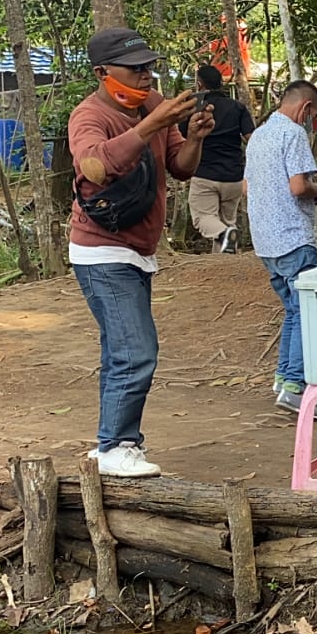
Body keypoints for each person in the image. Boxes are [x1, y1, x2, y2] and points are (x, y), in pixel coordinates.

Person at [69, 27, 214, 477]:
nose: (147, 77)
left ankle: (110, 444)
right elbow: (94, 165)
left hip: (137, 250)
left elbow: (180, 167)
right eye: (136, 70)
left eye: (149, 67)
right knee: (136, 351)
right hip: (101, 251)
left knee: (122, 351)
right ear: (103, 72)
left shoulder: (152, 105)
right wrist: (151, 123)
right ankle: (117, 445)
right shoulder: (88, 116)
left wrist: (194, 136)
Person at [245, 81, 317, 413]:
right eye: (314, 115)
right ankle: (295, 385)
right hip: (293, 237)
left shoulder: (259, 135)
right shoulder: (294, 134)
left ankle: (284, 377)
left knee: (294, 311)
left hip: (266, 241)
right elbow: (298, 186)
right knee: (307, 313)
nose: (312, 122)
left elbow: (247, 187)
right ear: (306, 108)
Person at [182, 64, 254, 253]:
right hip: (234, 177)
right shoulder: (237, 107)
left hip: (205, 174)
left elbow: (181, 139)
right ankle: (226, 268)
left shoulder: (194, 109)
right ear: (221, 83)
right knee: (226, 222)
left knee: (204, 219)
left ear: (199, 84)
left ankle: (226, 234)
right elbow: (251, 140)